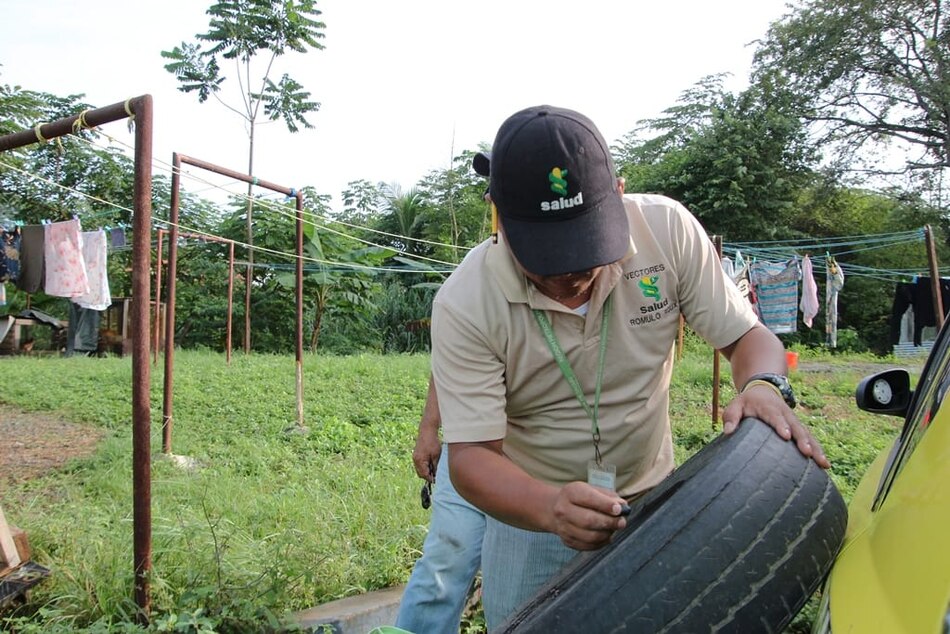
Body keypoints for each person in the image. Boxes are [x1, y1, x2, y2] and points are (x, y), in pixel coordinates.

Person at [428, 105, 831, 630]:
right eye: (546, 254)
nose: (569, 274)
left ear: (617, 194)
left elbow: (747, 337)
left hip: (655, 501)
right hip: (532, 516)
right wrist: (551, 508)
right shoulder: (465, 301)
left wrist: (764, 384)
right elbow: (472, 459)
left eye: (584, 244)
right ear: (499, 214)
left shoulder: (667, 230)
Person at [394, 377, 486, 634]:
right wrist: (429, 427)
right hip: (468, 447)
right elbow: (448, 350)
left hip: (532, 459)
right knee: (439, 571)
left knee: (519, 594)